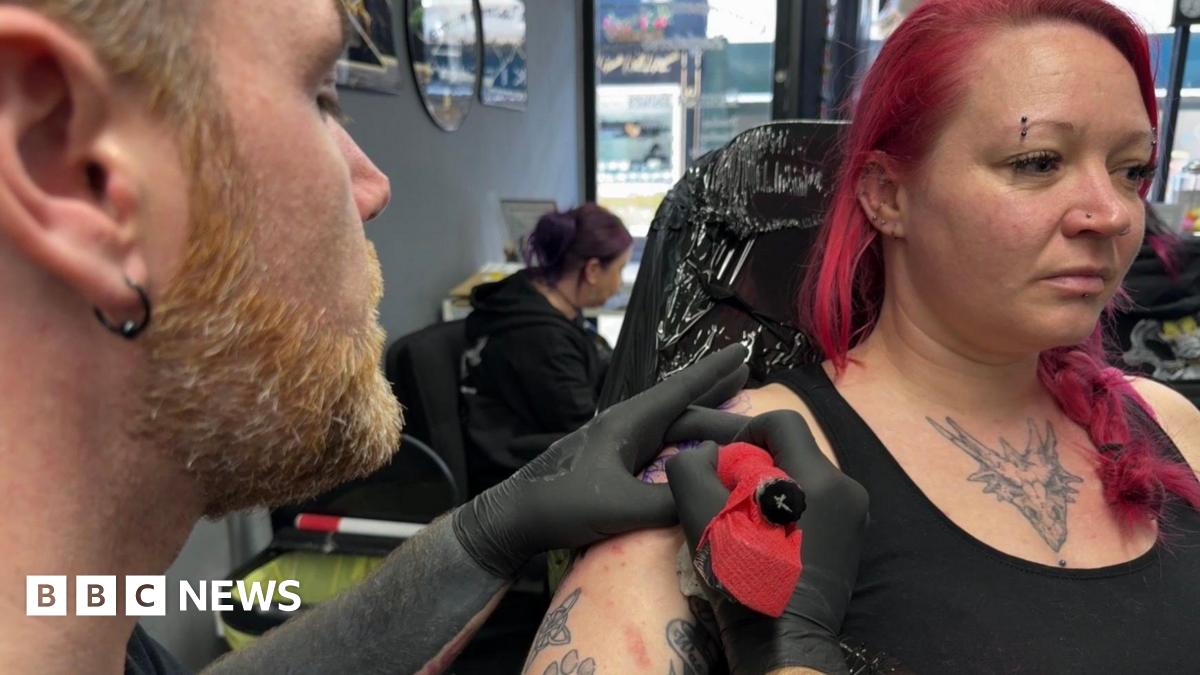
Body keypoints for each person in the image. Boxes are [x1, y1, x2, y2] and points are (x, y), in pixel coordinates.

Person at [0, 1, 756, 673]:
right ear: (67, 162)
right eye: (322, 93)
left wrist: (487, 532)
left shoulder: (81, 626)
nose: (374, 186)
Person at [524, 1, 1200, 673]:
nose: (1112, 213)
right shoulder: (735, 471)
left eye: (1131, 169)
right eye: (1038, 160)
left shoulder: (1170, 425)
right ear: (887, 195)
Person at [462, 204, 632, 494]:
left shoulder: (543, 298)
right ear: (592, 270)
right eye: (619, 270)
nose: (618, 286)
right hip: (519, 480)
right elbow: (585, 431)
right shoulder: (541, 339)